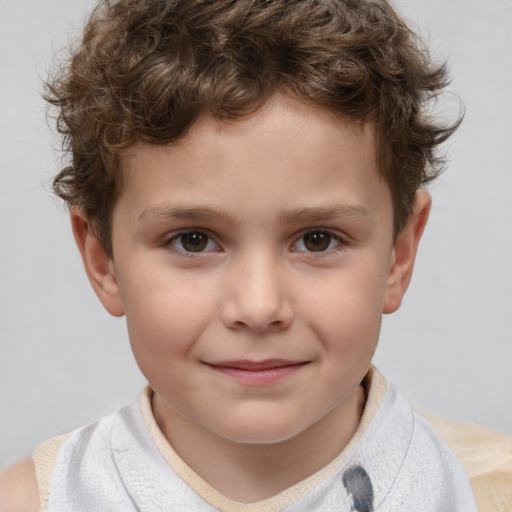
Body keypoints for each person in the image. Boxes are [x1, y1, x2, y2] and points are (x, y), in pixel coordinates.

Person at [1, 0, 511, 510]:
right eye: (193, 240)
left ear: (398, 256)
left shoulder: (484, 492)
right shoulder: (33, 500)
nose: (259, 306)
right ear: (102, 260)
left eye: (318, 239)